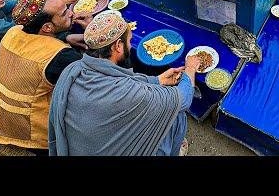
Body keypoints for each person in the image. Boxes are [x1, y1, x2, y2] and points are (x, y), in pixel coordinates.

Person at [49, 12, 201, 156]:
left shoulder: (73, 69)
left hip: (88, 145)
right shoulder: (126, 91)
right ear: (118, 46)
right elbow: (183, 99)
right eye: (129, 41)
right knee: (175, 116)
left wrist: (157, 81)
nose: (130, 44)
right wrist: (191, 68)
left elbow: (123, 79)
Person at [0, 0, 91, 154]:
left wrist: (66, 38)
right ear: (47, 27)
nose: (72, 13)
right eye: (65, 13)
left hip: (5, 120)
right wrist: (93, 32)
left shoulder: (13, 32)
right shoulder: (59, 56)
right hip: (36, 132)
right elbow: (94, 78)